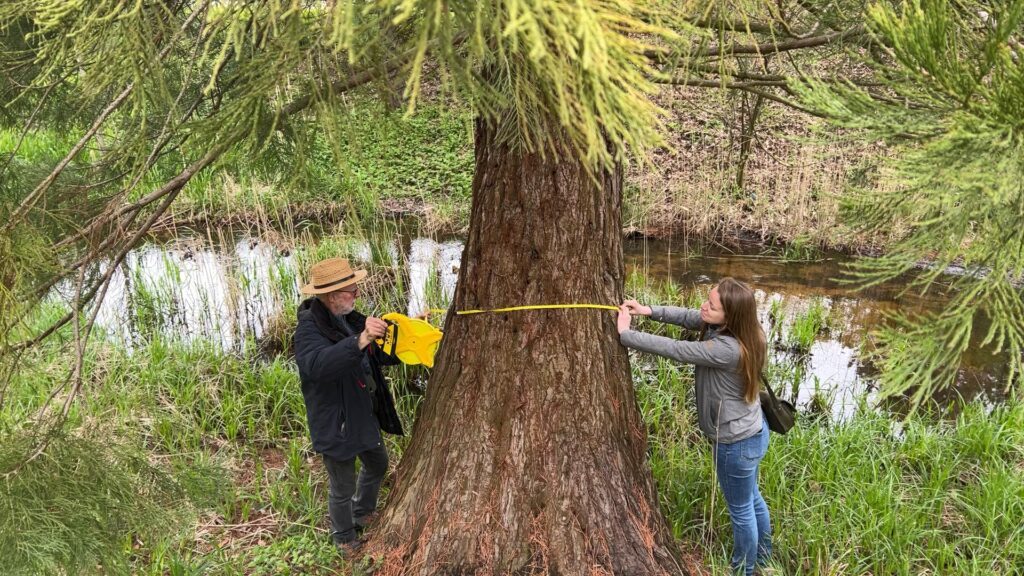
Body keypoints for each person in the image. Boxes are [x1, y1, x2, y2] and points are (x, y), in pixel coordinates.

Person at [617, 277, 771, 575]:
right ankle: (764, 558)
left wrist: (626, 335)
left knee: (741, 510)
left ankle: (744, 570)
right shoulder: (748, 331)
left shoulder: (727, 349)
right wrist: (649, 310)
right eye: (707, 299)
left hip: (735, 443)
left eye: (712, 306)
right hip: (753, 431)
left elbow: (678, 350)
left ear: (730, 316)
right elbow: (692, 317)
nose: (704, 307)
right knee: (751, 498)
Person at [294, 257, 404, 556]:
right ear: (332, 296)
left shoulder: (350, 318)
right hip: (336, 422)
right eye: (351, 290)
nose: (357, 294)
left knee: (378, 463)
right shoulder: (308, 330)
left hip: (361, 413)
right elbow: (317, 366)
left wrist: (403, 333)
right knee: (342, 486)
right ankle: (344, 537)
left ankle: (362, 512)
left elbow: (377, 355)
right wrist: (361, 339)